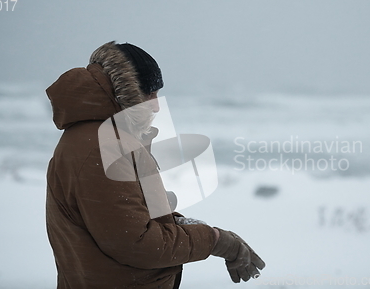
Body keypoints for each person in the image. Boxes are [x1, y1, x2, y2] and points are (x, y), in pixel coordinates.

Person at [45, 41, 265, 289]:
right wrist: (216, 240)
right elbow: (137, 243)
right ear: (128, 91)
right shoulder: (103, 147)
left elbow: (125, 223)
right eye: (150, 93)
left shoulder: (102, 138)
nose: (157, 105)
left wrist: (177, 223)